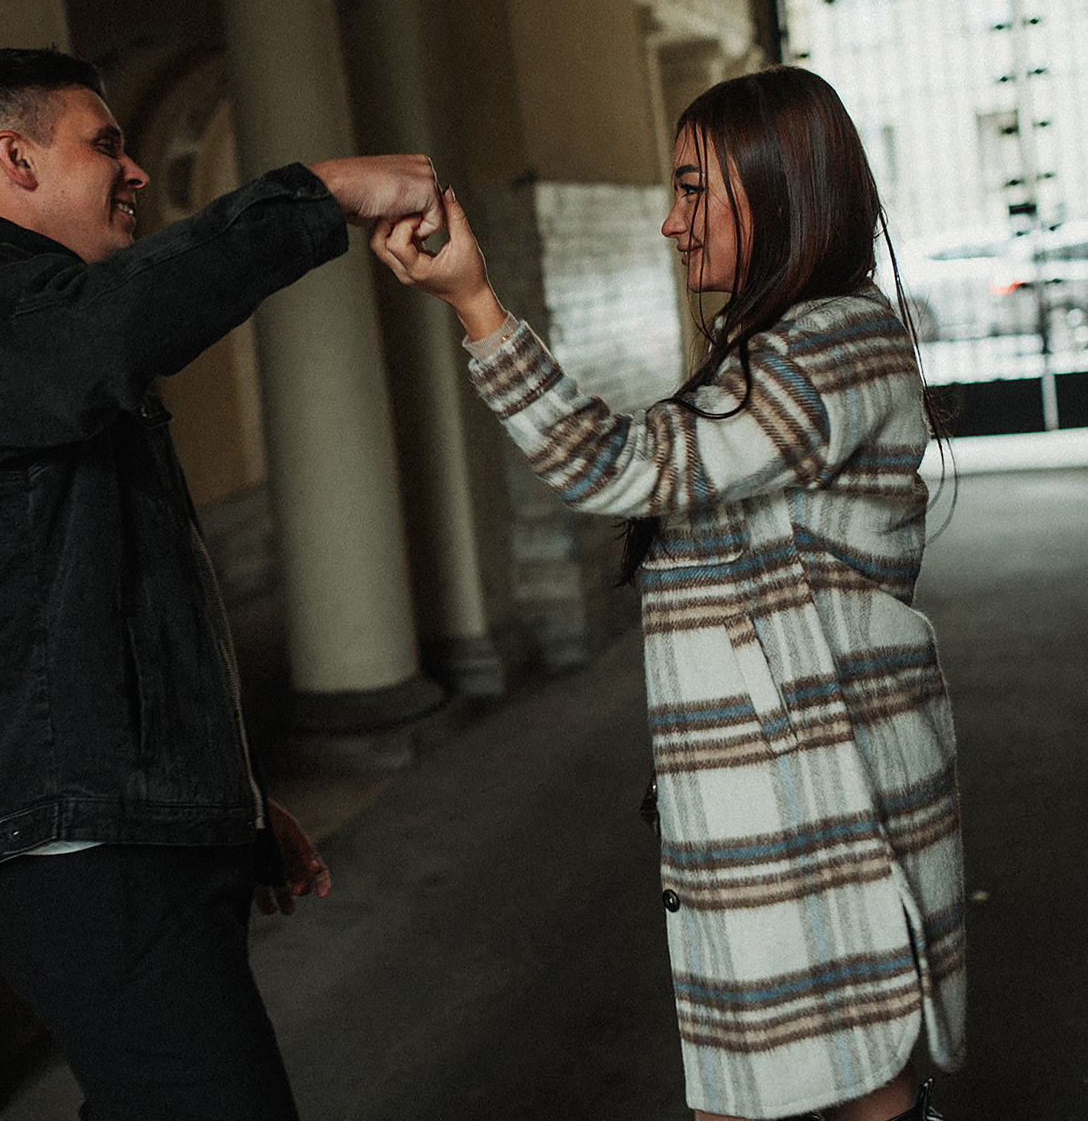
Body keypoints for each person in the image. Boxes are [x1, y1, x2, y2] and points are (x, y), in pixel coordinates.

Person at [373, 65, 965, 1121]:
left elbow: (627, 467)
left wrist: (475, 302)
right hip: (785, 778)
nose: (667, 220)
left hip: (818, 785)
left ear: (780, 191)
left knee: (844, 1081)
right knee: (796, 1083)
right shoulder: (785, 340)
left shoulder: (824, 347)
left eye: (695, 189)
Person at [0, 47, 444, 1120]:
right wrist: (320, 194)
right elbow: (123, 323)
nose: (132, 171)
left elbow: (99, 596)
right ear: (14, 158)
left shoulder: (18, 320)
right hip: (85, 847)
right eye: (105, 142)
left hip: (119, 824)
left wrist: (223, 793)